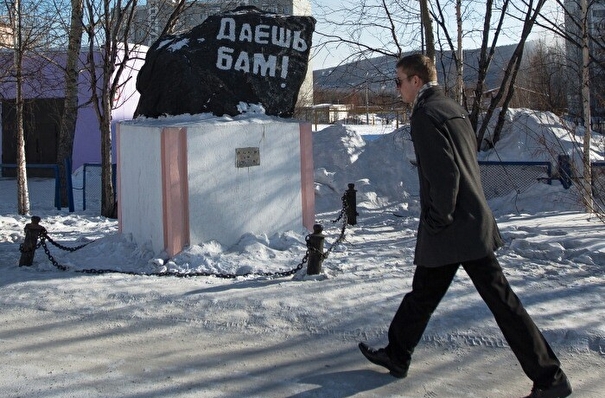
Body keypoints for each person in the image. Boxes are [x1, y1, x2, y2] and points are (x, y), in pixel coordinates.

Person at [358, 54, 572, 398]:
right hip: (469, 222)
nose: (396, 89)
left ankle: (551, 378)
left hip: (454, 228)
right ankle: (397, 353)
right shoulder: (451, 108)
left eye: (399, 81)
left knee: (502, 304)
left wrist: (436, 219)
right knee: (424, 292)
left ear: (416, 81)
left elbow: (445, 174)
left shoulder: (426, 116)